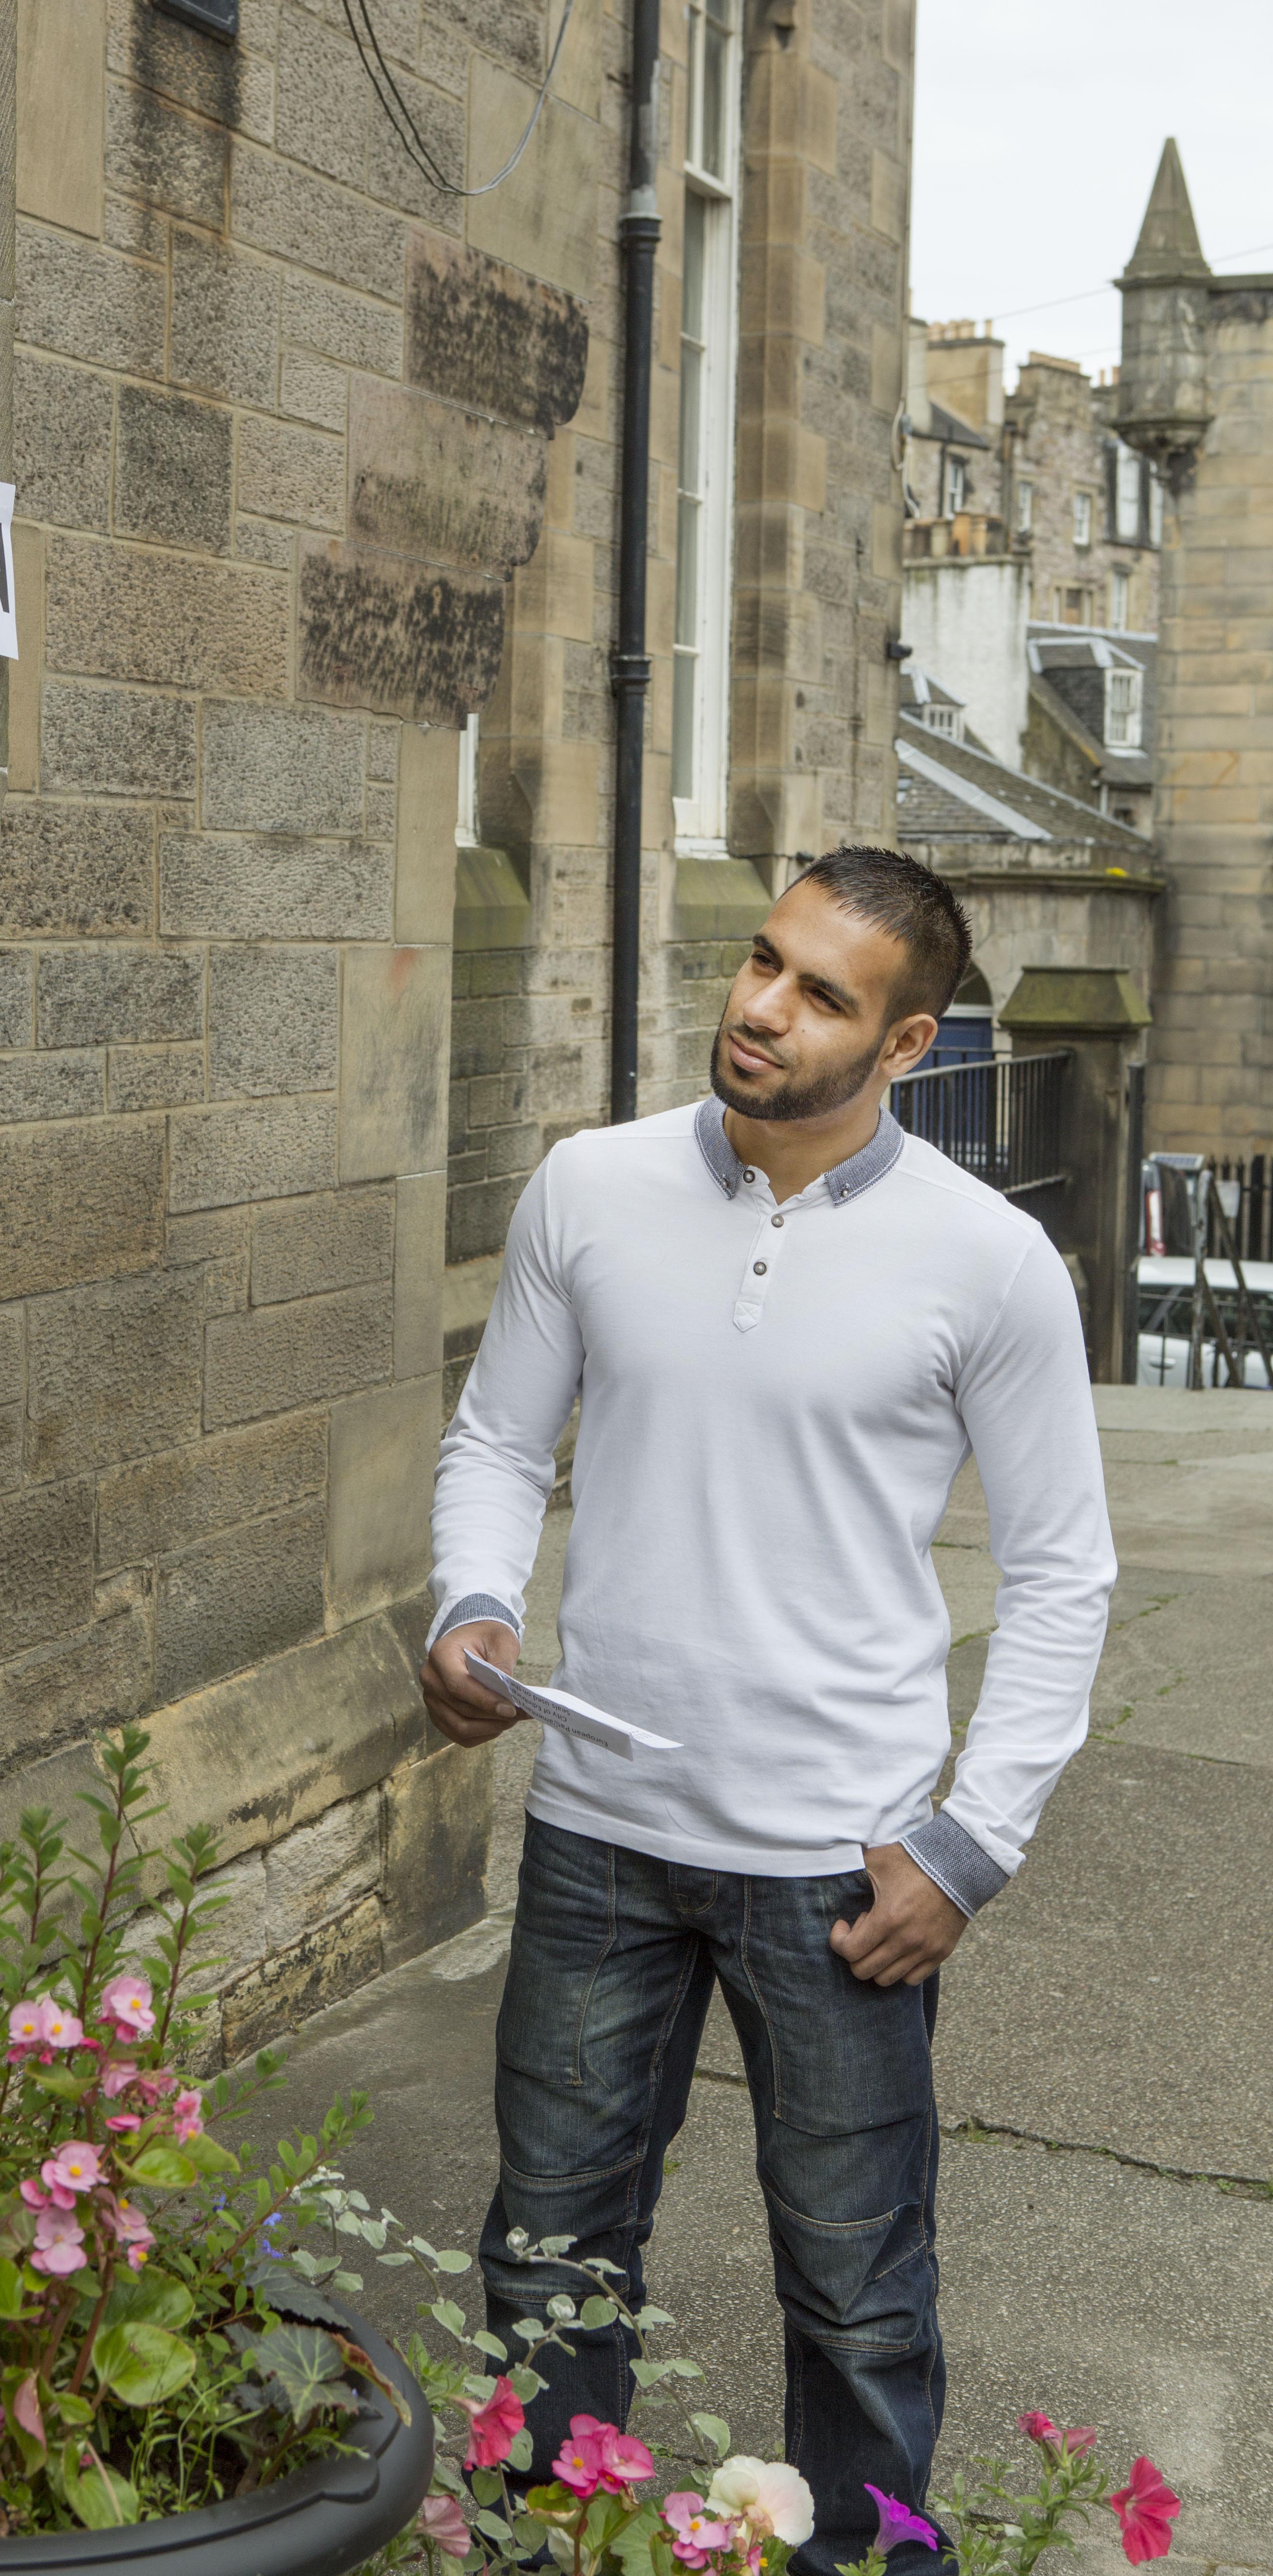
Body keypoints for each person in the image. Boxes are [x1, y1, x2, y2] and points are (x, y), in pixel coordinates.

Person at [423, 846, 1114, 2576]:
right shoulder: (591, 1185)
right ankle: (546, 2546)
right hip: (599, 1830)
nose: (760, 1007)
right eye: (760, 962)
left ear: (906, 1045)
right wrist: (475, 1603)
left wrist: (971, 1845)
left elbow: (1064, 1578)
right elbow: (501, 1440)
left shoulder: (994, 1262)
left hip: (844, 1868)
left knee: (860, 2294)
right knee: (549, 2256)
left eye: (820, 993)